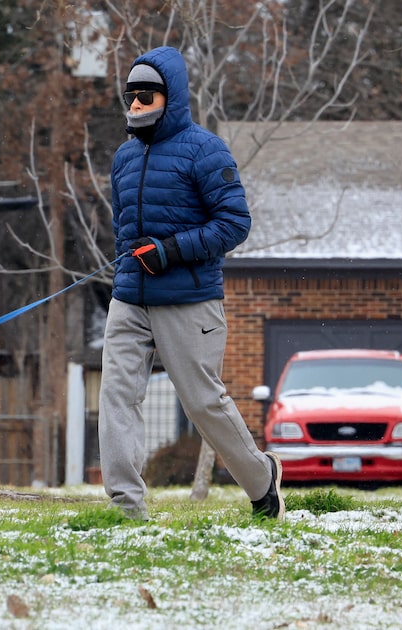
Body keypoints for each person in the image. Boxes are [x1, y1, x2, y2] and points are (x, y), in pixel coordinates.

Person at [99, 46, 283, 521]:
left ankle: (262, 481)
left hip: (189, 300)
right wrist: (128, 266)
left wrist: (170, 250)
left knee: (203, 403)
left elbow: (234, 223)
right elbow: (123, 229)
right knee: (117, 396)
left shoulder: (206, 150)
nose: (136, 104)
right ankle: (126, 509)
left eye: (146, 95)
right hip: (129, 298)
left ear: (171, 97)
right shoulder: (123, 157)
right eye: (130, 96)